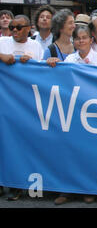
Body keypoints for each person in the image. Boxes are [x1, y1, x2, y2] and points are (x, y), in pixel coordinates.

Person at [0, 14, 43, 201]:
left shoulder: (35, 46)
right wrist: (2, 56)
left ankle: (19, 185)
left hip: (26, 103)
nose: (14, 31)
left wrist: (30, 63)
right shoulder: (3, 42)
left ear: (29, 29)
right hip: (5, 101)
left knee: (21, 143)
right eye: (12, 27)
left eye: (19, 27)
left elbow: (42, 72)